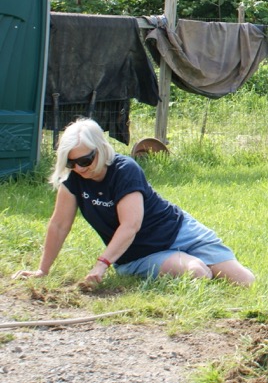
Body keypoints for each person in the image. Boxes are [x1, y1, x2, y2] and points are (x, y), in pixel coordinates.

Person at [12, 118, 255, 287]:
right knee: (198, 273)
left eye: (84, 160)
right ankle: (185, 265)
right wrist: (42, 270)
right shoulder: (73, 180)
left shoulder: (125, 170)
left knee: (245, 282)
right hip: (139, 254)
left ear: (101, 149)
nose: (78, 168)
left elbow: (130, 225)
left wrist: (100, 265)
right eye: (70, 163)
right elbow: (58, 226)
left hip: (180, 232)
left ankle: (196, 261)